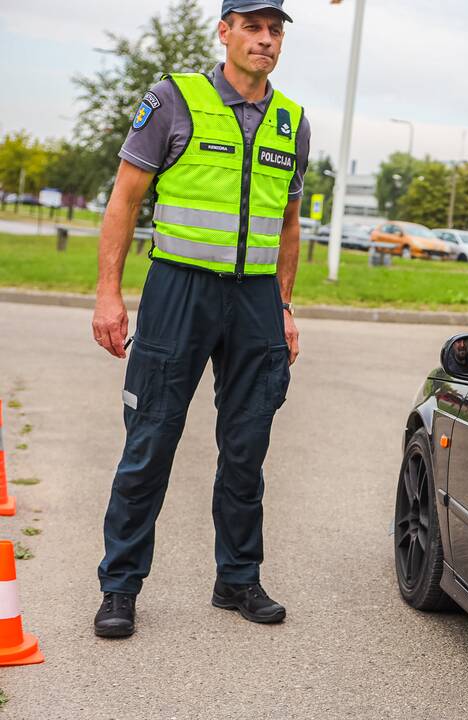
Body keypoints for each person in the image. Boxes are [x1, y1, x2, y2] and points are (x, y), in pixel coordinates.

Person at [90, 0, 310, 638]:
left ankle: (237, 578)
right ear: (225, 31)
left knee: (246, 449)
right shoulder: (173, 99)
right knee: (150, 440)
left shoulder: (292, 120)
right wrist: (109, 294)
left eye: (275, 30)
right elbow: (125, 199)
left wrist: (286, 306)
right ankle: (120, 587)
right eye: (252, 27)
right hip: (177, 292)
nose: (265, 40)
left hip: (256, 302)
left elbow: (289, 225)